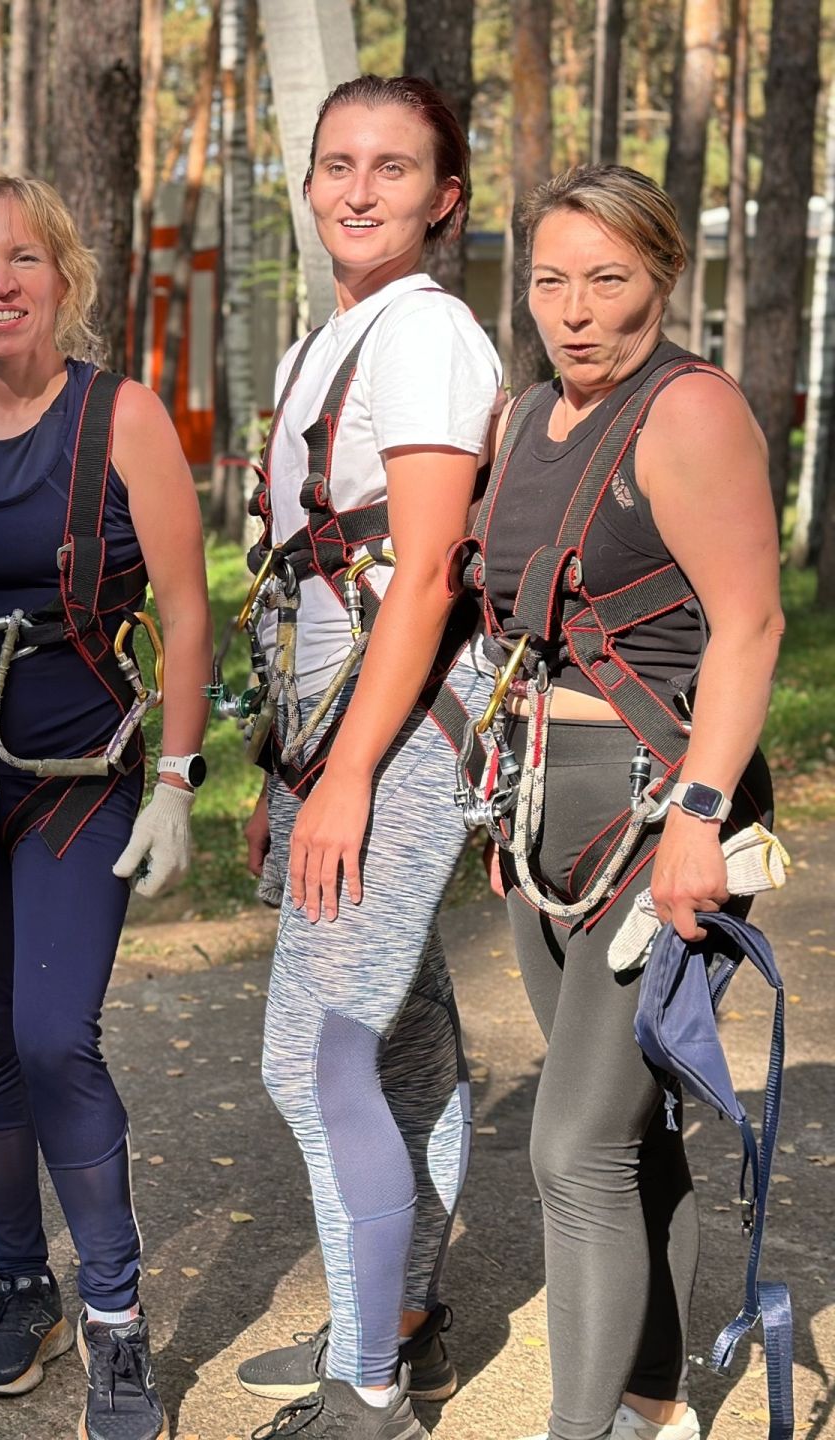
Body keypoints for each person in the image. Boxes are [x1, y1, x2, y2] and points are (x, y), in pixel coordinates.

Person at [0, 173, 212, 1440]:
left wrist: (177, 782)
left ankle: (118, 1322)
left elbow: (185, 613)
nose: (0, 281)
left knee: (52, 1038)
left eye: (24, 257)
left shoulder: (121, 418)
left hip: (83, 776)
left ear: (64, 278)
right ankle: (26, 1287)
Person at [465, 165, 780, 1440]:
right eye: (552, 279)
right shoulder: (525, 418)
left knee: (571, 1152)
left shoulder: (690, 412)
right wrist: (506, 804)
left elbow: (750, 627)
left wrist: (700, 817)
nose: (577, 310)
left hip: (654, 806)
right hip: (542, 806)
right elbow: (517, 641)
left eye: (609, 279)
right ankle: (657, 1409)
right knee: (630, 1138)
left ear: (663, 277)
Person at [224, 77, 502, 1440]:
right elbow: (315, 581)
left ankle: (372, 1395)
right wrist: (292, 776)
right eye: (339, 162)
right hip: (337, 744)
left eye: (395, 169)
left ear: (443, 200)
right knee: (401, 1056)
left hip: (397, 747)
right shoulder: (324, 346)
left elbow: (433, 566)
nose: (359, 188)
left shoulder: (429, 337)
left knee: (314, 1059)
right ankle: (388, 1323)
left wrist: (344, 777)